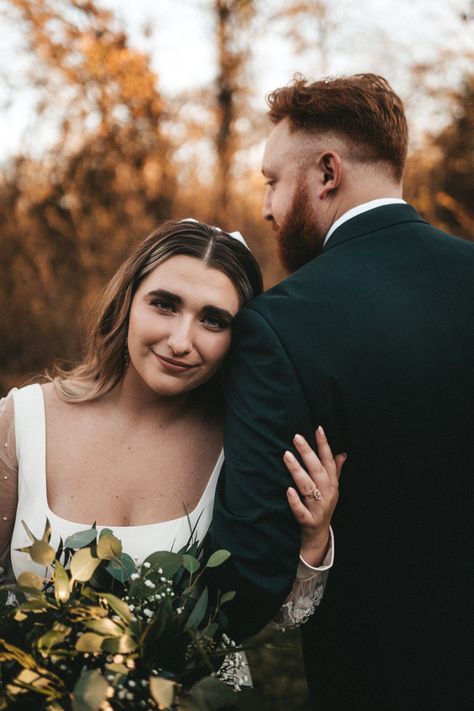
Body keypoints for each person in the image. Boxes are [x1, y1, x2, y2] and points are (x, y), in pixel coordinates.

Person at [209, 74, 474, 710]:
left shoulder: (281, 325)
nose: (268, 207)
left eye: (273, 180)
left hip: (378, 682)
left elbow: (245, 574)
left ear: (328, 171)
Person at [0, 219, 343, 649]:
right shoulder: (25, 420)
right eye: (164, 305)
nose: (181, 341)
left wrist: (312, 539)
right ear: (127, 301)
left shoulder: (242, 448)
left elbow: (267, 616)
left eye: (213, 321)